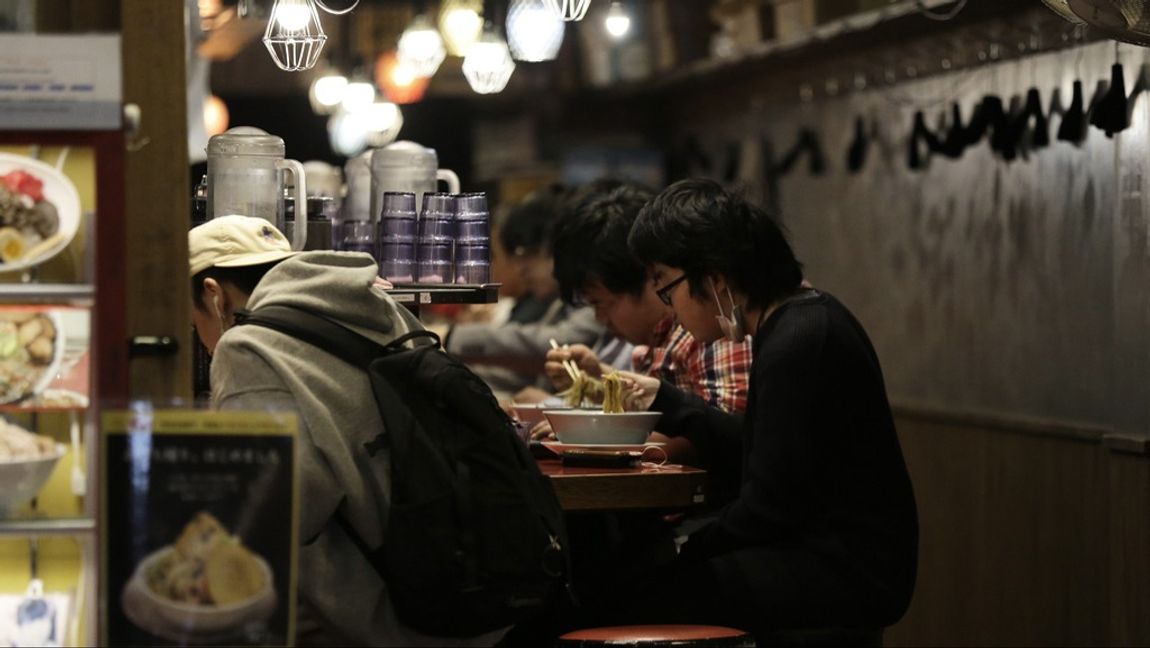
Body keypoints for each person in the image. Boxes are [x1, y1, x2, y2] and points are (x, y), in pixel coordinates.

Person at [577, 179, 919, 640]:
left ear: (715, 279)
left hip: (843, 567)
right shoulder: (796, 321)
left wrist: (688, 549)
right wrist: (666, 400)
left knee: (618, 600)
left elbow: (769, 506)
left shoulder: (798, 339)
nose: (671, 310)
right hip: (827, 553)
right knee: (627, 585)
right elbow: (753, 449)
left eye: (667, 288)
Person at [189, 215, 505, 647]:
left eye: (193, 323)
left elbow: (277, 519)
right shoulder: (381, 308)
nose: (202, 341)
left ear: (214, 296)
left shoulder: (247, 346)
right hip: (473, 587)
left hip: (385, 621)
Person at [543, 182, 753, 469]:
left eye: (601, 303)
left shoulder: (710, 327)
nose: (600, 320)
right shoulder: (663, 340)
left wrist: (585, 441)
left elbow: (726, 436)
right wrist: (596, 382)